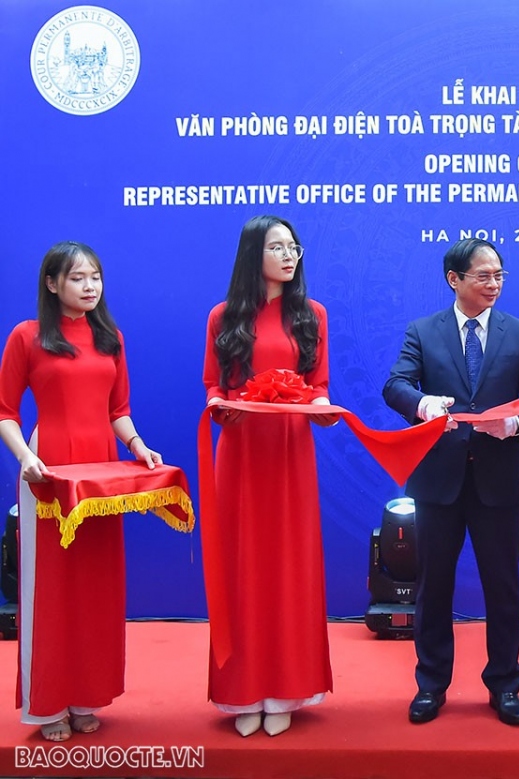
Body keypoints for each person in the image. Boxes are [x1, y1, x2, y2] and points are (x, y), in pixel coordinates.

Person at [0, 241, 163, 742]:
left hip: (101, 477)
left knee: (95, 587)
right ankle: (47, 703)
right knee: (51, 590)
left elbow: (118, 410)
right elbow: (5, 412)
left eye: (95, 277)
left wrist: (139, 447)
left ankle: (86, 696)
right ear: (52, 284)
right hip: (47, 472)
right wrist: (26, 459)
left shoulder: (111, 337)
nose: (90, 286)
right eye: (77, 278)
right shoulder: (27, 336)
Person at [383, 238, 519, 727]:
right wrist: (423, 405)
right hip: (439, 482)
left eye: (499, 275)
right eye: (483, 276)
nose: (493, 284)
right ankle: (431, 685)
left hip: (499, 483)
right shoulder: (422, 331)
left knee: (503, 587)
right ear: (454, 279)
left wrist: (514, 425)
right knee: (433, 587)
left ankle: (505, 685)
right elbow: (395, 385)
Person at [203, 215, 337, 737]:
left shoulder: (312, 314)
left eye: (293, 247)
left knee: (288, 566)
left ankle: (285, 688)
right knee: (243, 566)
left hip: (289, 451)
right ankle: (243, 690)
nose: (288, 256)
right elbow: (214, 386)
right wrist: (221, 407)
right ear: (252, 254)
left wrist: (322, 407)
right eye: (277, 247)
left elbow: (318, 384)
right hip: (240, 453)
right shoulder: (223, 316)